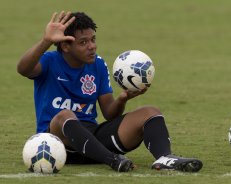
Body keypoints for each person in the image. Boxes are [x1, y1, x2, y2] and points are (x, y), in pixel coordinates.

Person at [17, 11, 203, 172]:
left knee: (150, 112)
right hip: (58, 144)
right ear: (65, 46)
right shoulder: (49, 60)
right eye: (83, 42)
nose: (92, 46)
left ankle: (165, 158)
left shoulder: (98, 64)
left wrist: (122, 99)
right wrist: (45, 41)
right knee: (64, 115)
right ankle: (112, 160)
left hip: (93, 141)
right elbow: (23, 69)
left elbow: (109, 113)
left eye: (93, 39)